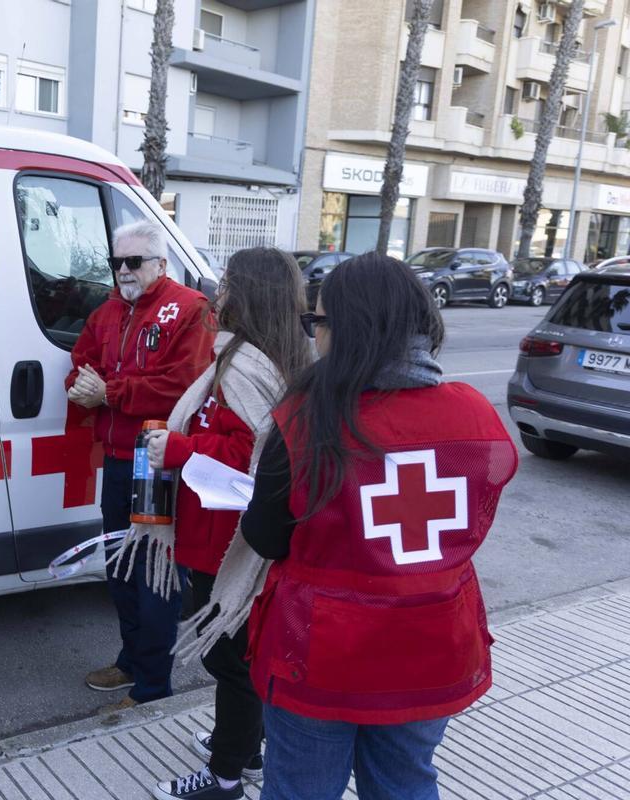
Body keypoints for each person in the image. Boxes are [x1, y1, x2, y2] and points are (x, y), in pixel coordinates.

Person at [240, 252, 518, 800]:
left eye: (317, 322)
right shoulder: (474, 412)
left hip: (318, 652)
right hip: (434, 641)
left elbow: (267, 538)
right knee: (406, 781)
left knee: (301, 789)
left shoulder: (303, 419)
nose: (313, 336)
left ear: (344, 330)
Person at [137, 249, 311, 800]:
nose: (218, 291)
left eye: (229, 282)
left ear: (250, 294)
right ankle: (246, 748)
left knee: (230, 660)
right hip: (234, 531)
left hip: (229, 540)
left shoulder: (244, 364)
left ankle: (225, 776)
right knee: (240, 655)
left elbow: (252, 454)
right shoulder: (276, 355)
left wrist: (180, 446)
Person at [66, 219, 215, 710]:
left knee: (155, 578)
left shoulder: (189, 309)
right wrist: (88, 387)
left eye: (134, 261)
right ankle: (131, 661)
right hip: (114, 458)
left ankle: (153, 688)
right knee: (120, 570)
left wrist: (110, 391)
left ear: (161, 264)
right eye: (117, 262)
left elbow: (185, 386)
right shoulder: (107, 311)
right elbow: (81, 363)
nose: (124, 271)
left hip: (157, 462)